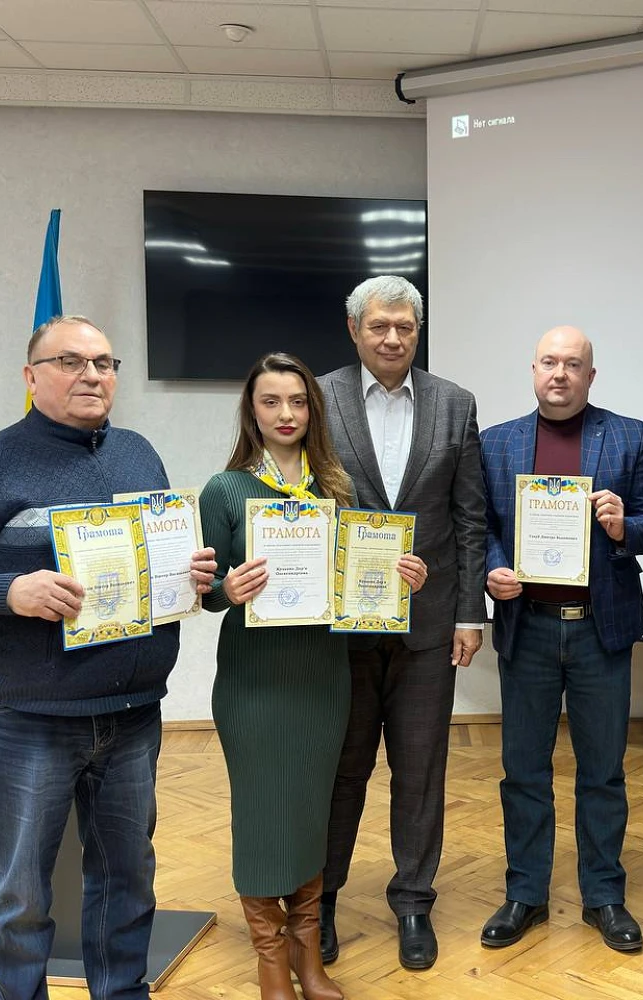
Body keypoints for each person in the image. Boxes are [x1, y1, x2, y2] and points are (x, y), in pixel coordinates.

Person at [0, 315, 217, 1000]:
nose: (91, 376)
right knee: (19, 894)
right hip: (27, 722)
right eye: (70, 362)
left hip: (132, 715)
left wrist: (185, 572)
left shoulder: (138, 453)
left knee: (127, 882)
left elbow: (153, 564)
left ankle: (121, 992)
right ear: (31, 376)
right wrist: (9, 591)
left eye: (103, 363)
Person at [199, 353, 427, 1000]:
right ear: (252, 411)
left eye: (297, 401)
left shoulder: (335, 488)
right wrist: (226, 589)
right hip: (254, 681)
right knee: (259, 814)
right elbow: (202, 591)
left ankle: (307, 953)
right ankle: (270, 959)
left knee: (311, 813)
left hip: (323, 678)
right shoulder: (225, 490)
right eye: (270, 401)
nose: (286, 414)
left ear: (312, 410)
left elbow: (356, 580)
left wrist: (401, 578)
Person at [315, 276, 487, 970]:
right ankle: (323, 899)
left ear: (418, 332)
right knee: (342, 771)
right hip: (343, 629)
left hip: (428, 624)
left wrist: (470, 613)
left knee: (420, 772)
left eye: (405, 327)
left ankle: (413, 900)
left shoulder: (454, 403)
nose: (392, 338)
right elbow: (297, 505)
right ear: (354, 329)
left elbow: (469, 516)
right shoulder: (318, 397)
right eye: (379, 326)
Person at [476, 326, 643, 953]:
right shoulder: (496, 442)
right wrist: (492, 570)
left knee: (603, 772)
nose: (560, 373)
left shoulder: (629, 435)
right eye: (549, 362)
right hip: (526, 627)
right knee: (523, 770)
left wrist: (623, 526)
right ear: (533, 370)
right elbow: (483, 526)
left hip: (598, 631)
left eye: (573, 364)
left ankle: (603, 895)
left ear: (590, 375)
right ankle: (525, 894)